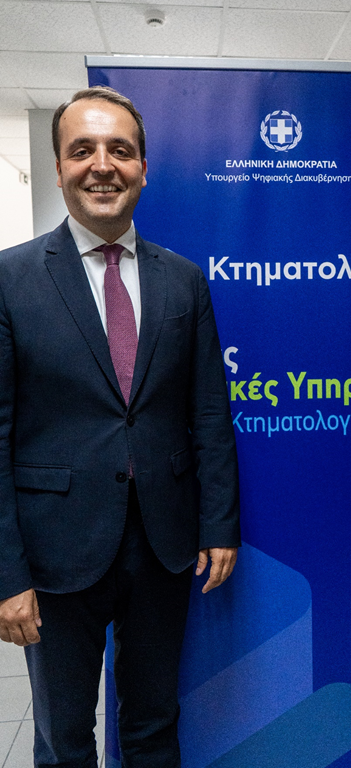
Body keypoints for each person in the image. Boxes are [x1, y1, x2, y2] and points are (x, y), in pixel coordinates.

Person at [0, 86, 240, 768]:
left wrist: (219, 523)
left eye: (120, 150)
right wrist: (5, 574)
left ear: (142, 168)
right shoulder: (10, 279)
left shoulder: (184, 280)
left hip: (164, 543)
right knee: (65, 738)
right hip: (54, 550)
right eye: (83, 150)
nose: (102, 165)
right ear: (58, 169)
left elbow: (208, 410)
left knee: (153, 725)